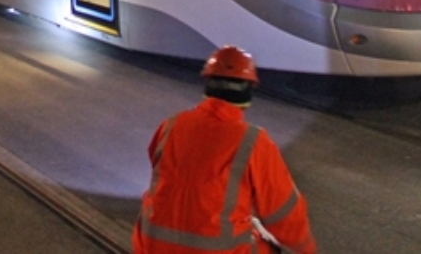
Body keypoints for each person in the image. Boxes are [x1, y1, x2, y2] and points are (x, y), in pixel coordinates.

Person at [132, 46, 317, 254]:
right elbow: (284, 212)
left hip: (151, 246)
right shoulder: (253, 141)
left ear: (207, 86)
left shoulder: (171, 125)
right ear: (248, 91)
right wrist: (306, 249)